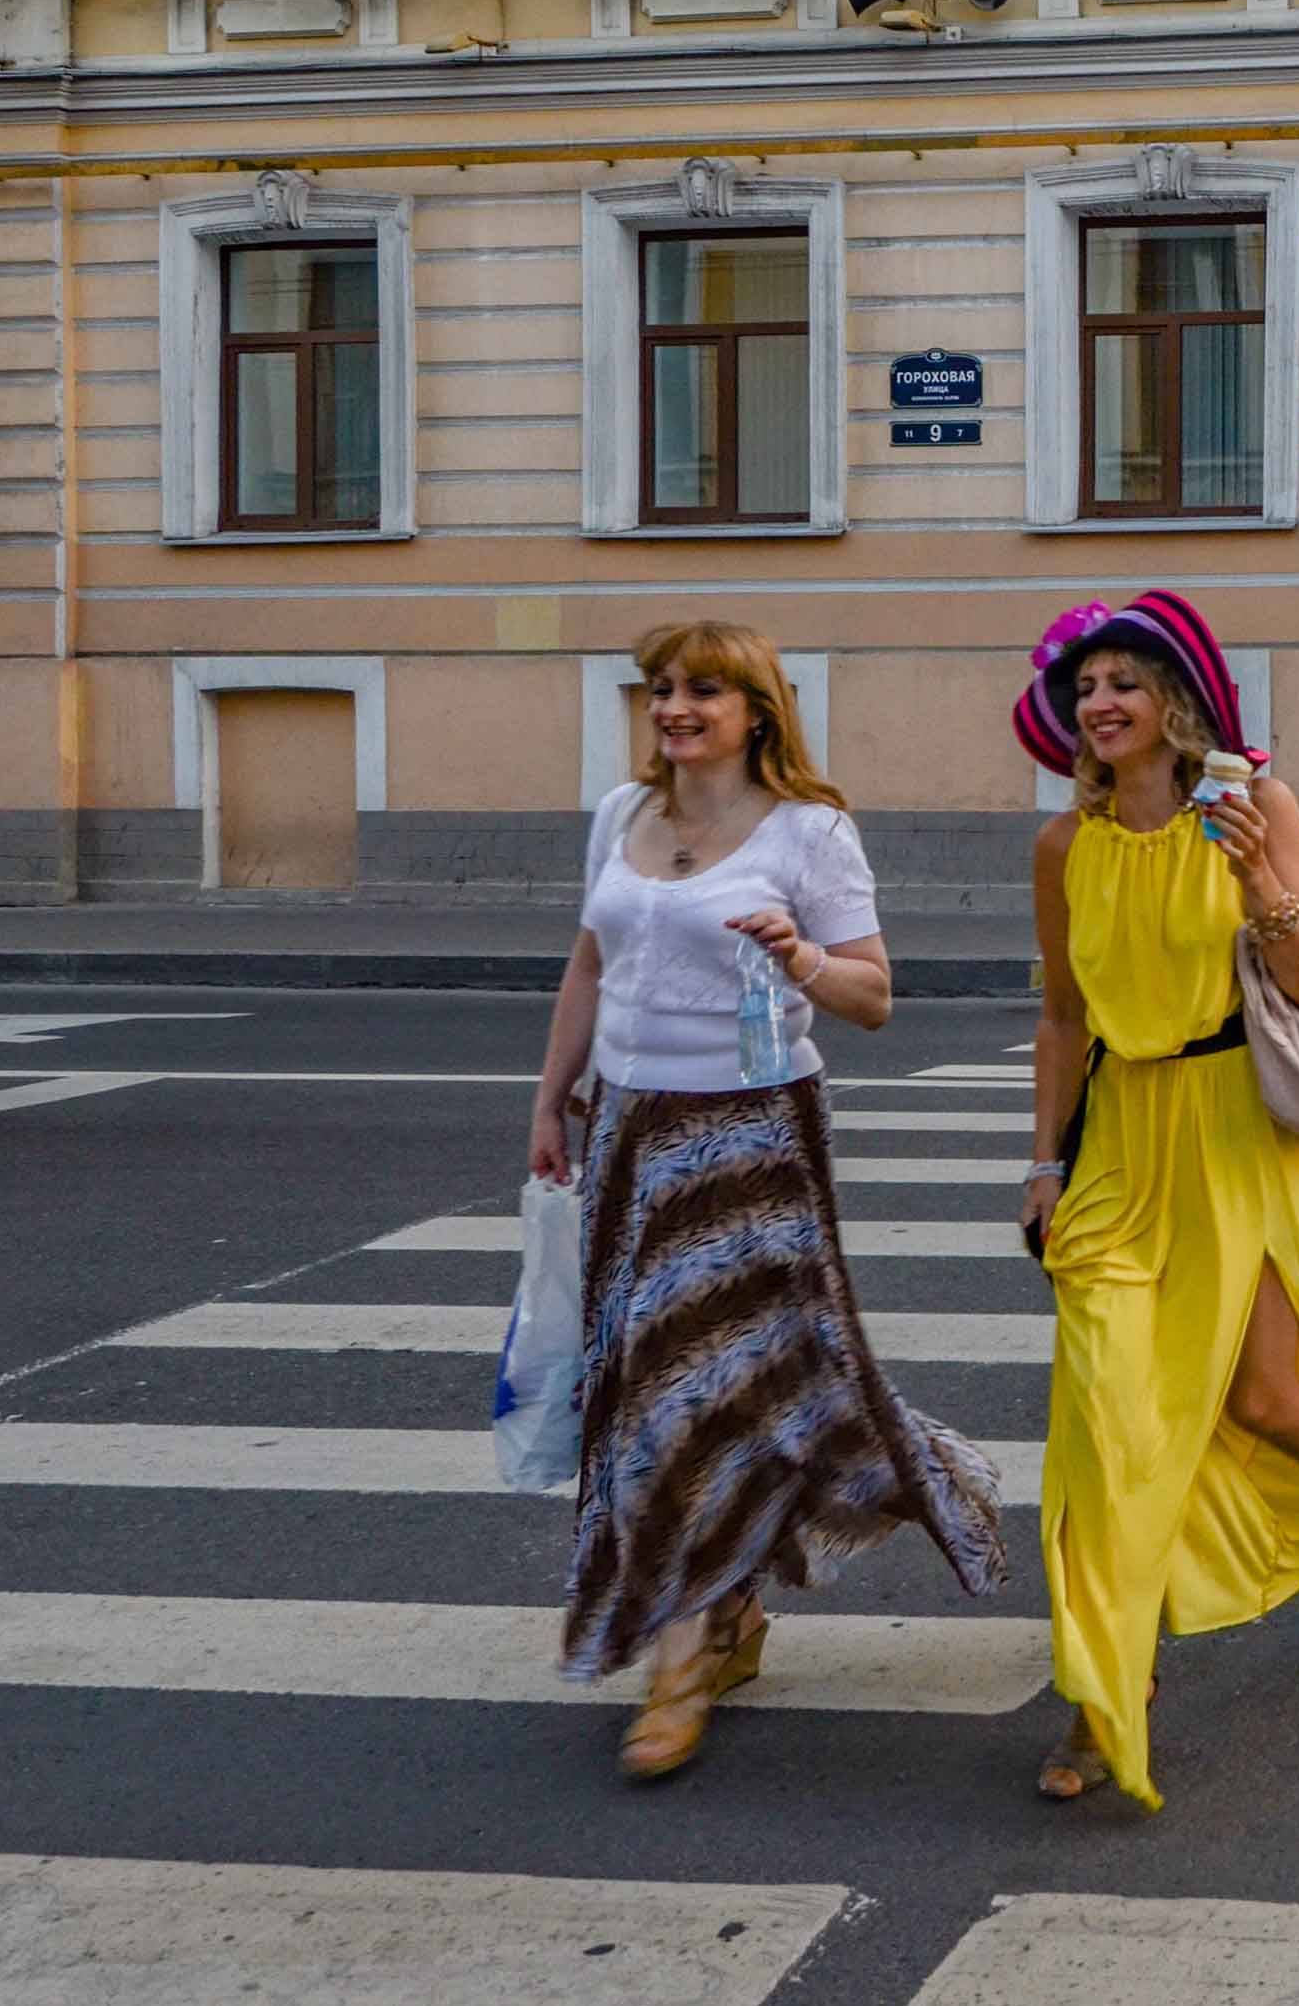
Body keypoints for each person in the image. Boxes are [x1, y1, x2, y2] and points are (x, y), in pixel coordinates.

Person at [527, 620, 1005, 1782]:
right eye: (662, 689)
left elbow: (876, 996)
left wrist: (800, 958)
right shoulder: (619, 816)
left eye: (702, 690)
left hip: (756, 1139)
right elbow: (589, 964)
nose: (674, 708)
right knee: (655, 1387)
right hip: (637, 1136)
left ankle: (684, 1657)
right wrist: (551, 1099)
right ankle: (721, 1616)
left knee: (735, 1382)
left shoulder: (809, 832)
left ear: (758, 711)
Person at [1010, 591, 1299, 1811]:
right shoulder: (1061, 848)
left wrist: (1263, 878)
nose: (1100, 703)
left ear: (1174, 704)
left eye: (1124, 683)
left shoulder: (1255, 811)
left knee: (1259, 1392)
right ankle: (1110, 1689)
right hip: (1116, 1156)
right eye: (1085, 685)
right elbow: (1061, 1017)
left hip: (1233, 1139)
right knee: (1107, 1423)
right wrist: (1043, 1165)